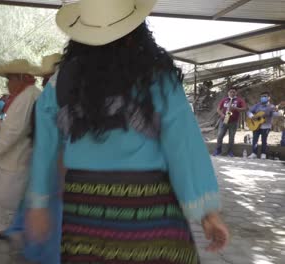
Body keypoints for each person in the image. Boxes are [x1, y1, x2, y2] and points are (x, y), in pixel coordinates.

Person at [26, 0, 229, 263]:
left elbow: (45, 148)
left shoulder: (61, 82)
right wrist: (208, 214)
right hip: (148, 206)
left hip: (84, 207)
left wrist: (39, 204)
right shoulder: (157, 78)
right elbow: (184, 146)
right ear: (137, 31)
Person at [5, 53, 63, 264]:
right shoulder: (46, 94)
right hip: (49, 164)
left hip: (55, 167)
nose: (46, 81)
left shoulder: (50, 93)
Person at [0, 59, 41, 240]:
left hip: (15, 156)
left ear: (21, 78)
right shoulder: (28, 95)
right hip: (15, 155)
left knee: (7, 196)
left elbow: (15, 131)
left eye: (10, 79)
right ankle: (0, 226)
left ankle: (15, 226)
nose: (7, 83)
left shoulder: (27, 97)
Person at [247, 92, 283, 159]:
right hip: (255, 125)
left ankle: (263, 153)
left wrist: (279, 112)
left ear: (269, 97)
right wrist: (252, 116)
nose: (263, 98)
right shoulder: (257, 105)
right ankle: (254, 153)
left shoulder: (271, 106)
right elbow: (249, 112)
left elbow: (274, 114)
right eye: (262, 96)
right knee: (255, 139)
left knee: (264, 140)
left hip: (266, 126)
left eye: (265, 96)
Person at [213, 87, 247, 157]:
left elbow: (244, 109)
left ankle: (230, 152)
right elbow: (218, 109)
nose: (232, 93)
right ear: (228, 92)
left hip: (233, 122)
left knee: (231, 137)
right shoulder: (224, 100)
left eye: (233, 92)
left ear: (236, 93)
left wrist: (235, 108)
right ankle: (218, 150)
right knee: (220, 136)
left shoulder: (239, 100)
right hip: (224, 120)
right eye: (230, 92)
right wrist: (222, 114)